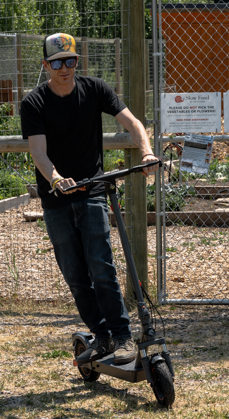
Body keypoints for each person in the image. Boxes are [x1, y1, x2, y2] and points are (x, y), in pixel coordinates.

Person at [20, 32, 160, 363]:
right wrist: (56, 179)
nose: (64, 69)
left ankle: (123, 336)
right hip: (56, 199)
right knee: (75, 275)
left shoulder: (95, 89)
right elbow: (38, 153)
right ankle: (102, 334)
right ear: (46, 66)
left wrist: (146, 152)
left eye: (70, 61)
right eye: (57, 63)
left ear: (77, 61)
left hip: (92, 191)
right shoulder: (34, 103)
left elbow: (132, 122)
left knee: (101, 266)